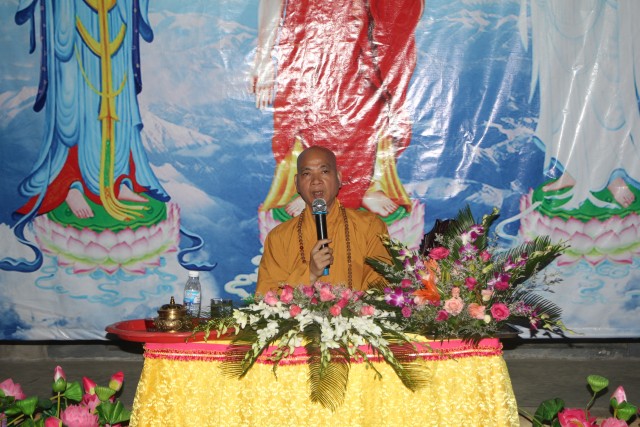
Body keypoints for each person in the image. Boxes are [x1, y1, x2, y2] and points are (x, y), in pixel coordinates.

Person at [251, 0, 423, 220]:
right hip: (310, 29)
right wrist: (264, 57)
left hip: (363, 24)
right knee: (314, 108)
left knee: (363, 102)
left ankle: (364, 187)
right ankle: (313, 187)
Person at [256, 146, 391, 295]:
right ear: (297, 183)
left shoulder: (370, 227)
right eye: (307, 173)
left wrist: (345, 306)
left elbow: (382, 286)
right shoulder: (279, 237)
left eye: (324, 171)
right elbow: (266, 297)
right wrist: (310, 274)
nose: (316, 181)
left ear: (339, 178)